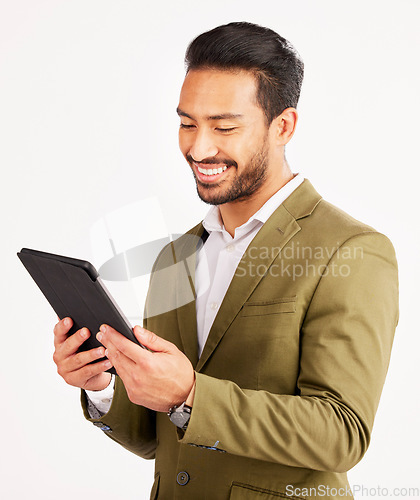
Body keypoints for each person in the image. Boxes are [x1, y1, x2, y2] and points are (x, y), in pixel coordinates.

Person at [52, 22, 399, 500]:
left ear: (284, 126)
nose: (198, 148)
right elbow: (158, 439)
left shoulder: (352, 250)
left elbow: (342, 433)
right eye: (187, 123)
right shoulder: (175, 258)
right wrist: (100, 384)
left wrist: (190, 393)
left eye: (225, 126)